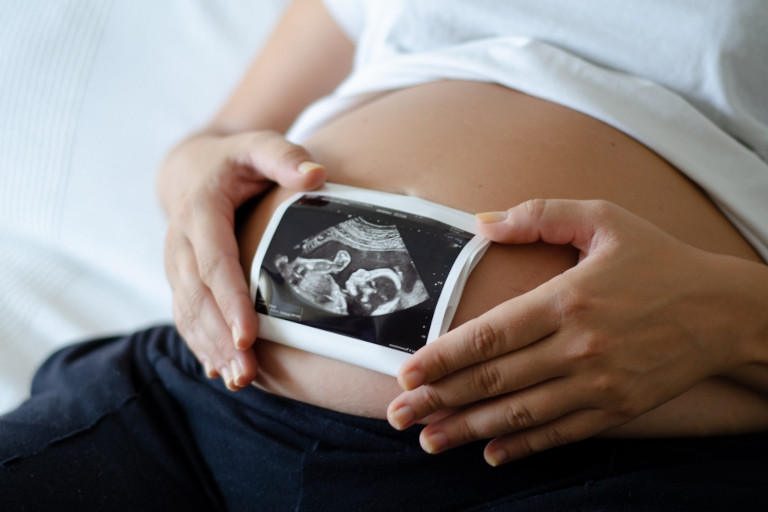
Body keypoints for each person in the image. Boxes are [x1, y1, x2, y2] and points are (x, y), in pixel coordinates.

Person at [2, 0, 768, 509]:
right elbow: (211, 143)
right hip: (203, 405)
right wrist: (196, 187)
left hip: (572, 461)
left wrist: (735, 319)